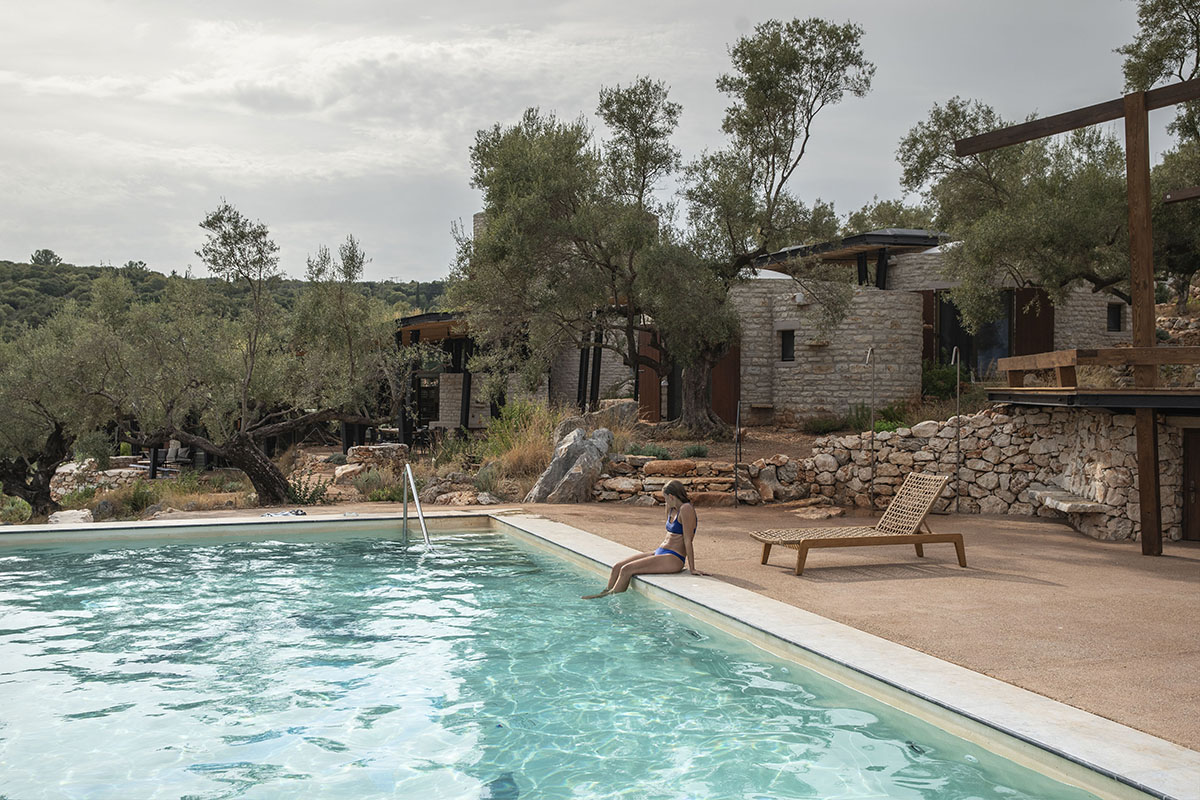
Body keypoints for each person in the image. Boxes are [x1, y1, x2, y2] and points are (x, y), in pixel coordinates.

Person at [582, 479, 706, 599]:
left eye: (666, 498)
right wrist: (668, 504)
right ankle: (605, 592)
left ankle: (610, 599)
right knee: (617, 567)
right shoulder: (672, 508)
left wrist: (692, 568)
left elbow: (688, 540)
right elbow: (669, 525)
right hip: (661, 551)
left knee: (627, 570)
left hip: (674, 557)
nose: (665, 501)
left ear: (672, 496)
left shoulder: (686, 509)